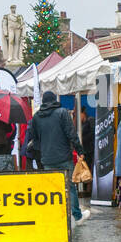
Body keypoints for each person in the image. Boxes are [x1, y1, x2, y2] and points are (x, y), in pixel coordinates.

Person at [28, 91, 87, 222]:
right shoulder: (62, 113)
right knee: (70, 186)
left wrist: (43, 151)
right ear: (54, 100)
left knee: (53, 189)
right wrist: (79, 150)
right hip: (64, 157)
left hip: (47, 159)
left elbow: (35, 139)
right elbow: (71, 133)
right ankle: (76, 216)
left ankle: (56, 216)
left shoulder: (37, 117)